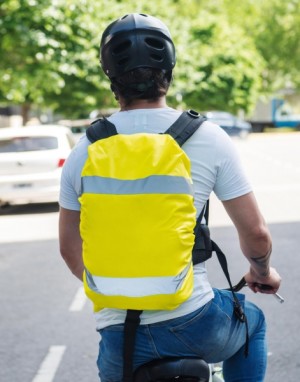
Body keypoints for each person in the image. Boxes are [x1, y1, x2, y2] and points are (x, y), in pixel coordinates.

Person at [59, 13, 282, 382]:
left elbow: (70, 250)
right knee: (252, 323)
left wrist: (120, 293)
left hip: (119, 338)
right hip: (194, 321)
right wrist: (262, 272)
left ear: (110, 75)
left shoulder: (84, 150)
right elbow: (256, 234)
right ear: (170, 69)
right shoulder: (208, 137)